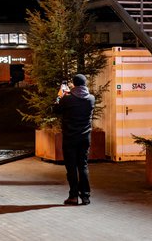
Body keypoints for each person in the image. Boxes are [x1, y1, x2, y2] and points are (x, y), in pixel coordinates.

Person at [54, 74, 95, 205]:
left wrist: (60, 96)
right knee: (83, 166)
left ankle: (73, 196)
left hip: (70, 137)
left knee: (71, 167)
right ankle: (85, 196)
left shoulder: (67, 99)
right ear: (85, 83)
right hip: (85, 137)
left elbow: (55, 109)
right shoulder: (91, 99)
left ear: (74, 84)